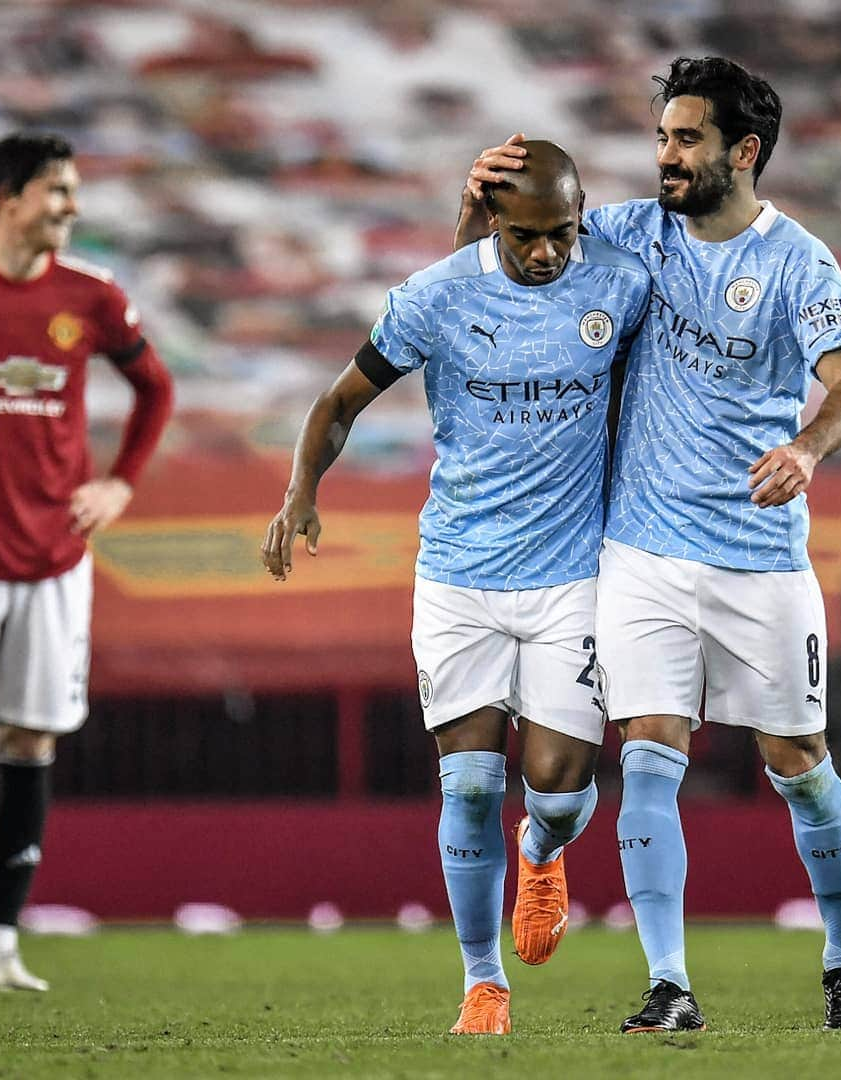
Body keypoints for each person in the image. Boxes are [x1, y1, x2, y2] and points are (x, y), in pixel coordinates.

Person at [457, 56, 841, 1033]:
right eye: (661, 137)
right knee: (647, 748)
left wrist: (809, 446)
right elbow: (512, 272)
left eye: (686, 139)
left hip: (762, 557)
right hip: (640, 553)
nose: (666, 156)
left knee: (800, 762)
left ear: (744, 151)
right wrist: (476, 207)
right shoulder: (624, 236)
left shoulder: (796, 263)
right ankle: (669, 985)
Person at [263, 141, 650, 1036]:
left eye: (562, 233)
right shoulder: (436, 296)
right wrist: (299, 495)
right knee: (470, 787)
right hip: (458, 578)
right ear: (493, 224)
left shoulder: (620, 286)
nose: (547, 253)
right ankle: (484, 986)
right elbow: (338, 402)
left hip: (572, 579)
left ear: (582, 214)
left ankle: (542, 851)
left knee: (556, 788)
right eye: (526, 237)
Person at [0, 133, 173, 990]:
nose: (70, 205)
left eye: (72, 190)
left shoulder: (90, 295)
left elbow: (156, 388)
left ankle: (0, 943)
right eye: (56, 190)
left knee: (28, 741)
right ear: (10, 196)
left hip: (55, 554)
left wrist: (120, 486)